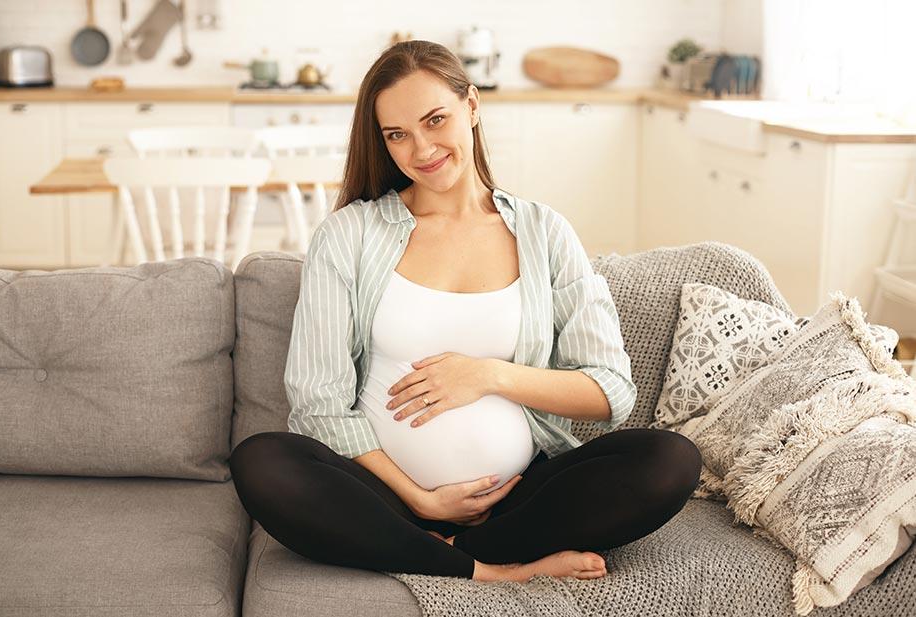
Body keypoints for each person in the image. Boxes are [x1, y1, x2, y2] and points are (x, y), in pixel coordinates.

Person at [229, 39, 702, 583]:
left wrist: (488, 375)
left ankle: (442, 552)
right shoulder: (348, 234)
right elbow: (317, 403)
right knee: (261, 460)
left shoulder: (544, 232)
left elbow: (610, 391)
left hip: (517, 495)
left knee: (670, 461)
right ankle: (491, 570)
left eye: (436, 120)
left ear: (471, 106)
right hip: (384, 498)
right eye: (397, 134)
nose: (421, 149)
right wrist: (421, 498)